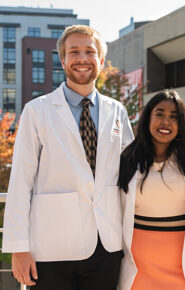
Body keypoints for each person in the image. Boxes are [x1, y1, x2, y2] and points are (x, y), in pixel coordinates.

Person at [2, 25, 133, 290]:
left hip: (106, 245)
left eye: (90, 52)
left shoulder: (117, 111)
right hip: (52, 248)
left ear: (101, 60)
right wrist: (18, 248)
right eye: (74, 52)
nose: (82, 58)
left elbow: (132, 173)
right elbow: (21, 181)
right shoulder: (37, 111)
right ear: (63, 60)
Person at [118, 90, 185, 290]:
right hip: (138, 270)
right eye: (159, 114)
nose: (166, 122)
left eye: (174, 117)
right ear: (148, 118)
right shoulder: (127, 158)